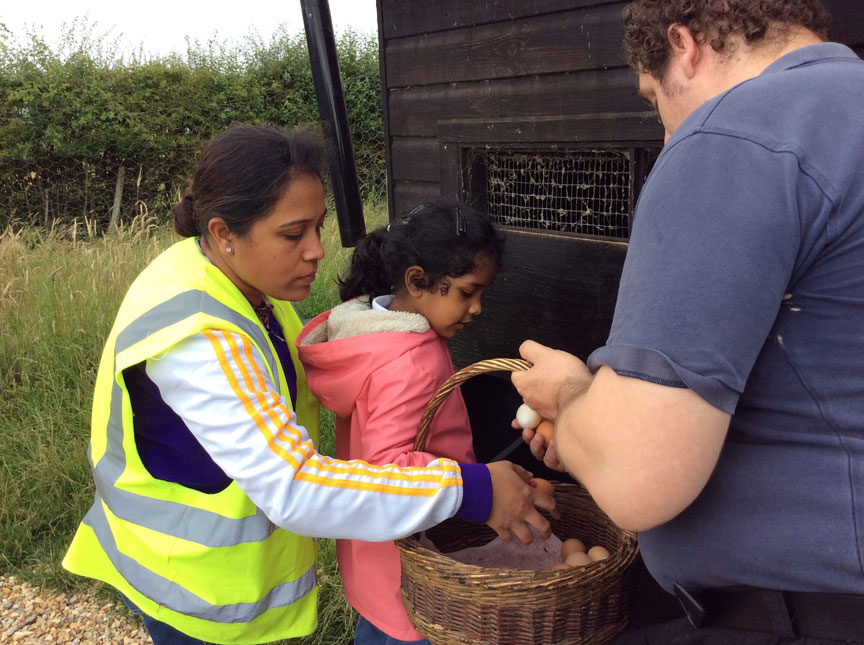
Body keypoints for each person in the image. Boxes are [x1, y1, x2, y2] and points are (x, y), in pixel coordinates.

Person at [61, 123, 556, 645]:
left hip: (218, 580)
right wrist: (472, 489)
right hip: (191, 589)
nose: (317, 250)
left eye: (319, 226)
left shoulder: (236, 280)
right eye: (293, 234)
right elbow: (295, 485)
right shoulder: (198, 339)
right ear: (224, 232)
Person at [511, 1, 864, 642]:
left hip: (808, 612)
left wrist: (569, 394)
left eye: (654, 101)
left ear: (685, 44)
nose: (669, 134)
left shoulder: (731, 135)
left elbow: (637, 474)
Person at [297, 199, 504, 645]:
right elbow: (386, 468)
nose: (478, 308)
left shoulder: (376, 336)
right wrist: (476, 484)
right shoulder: (410, 361)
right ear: (416, 280)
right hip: (415, 569)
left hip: (374, 562)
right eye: (468, 292)